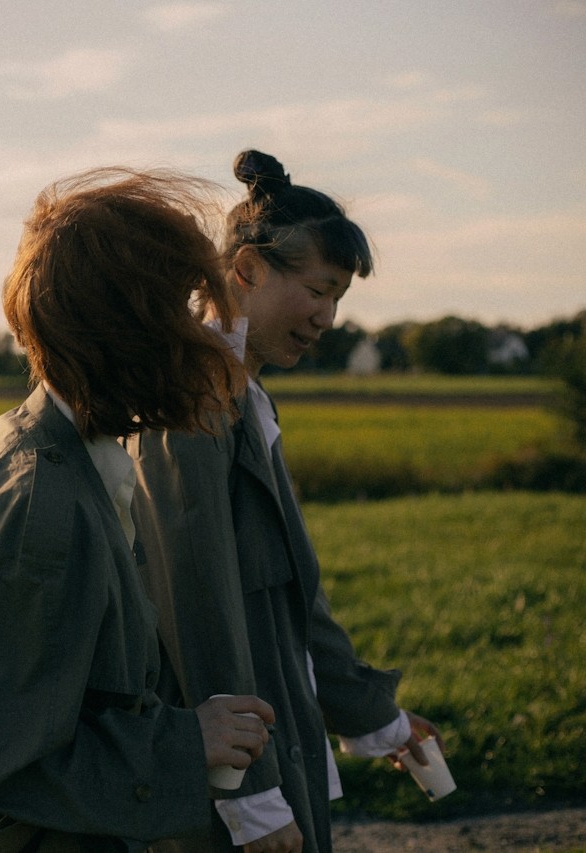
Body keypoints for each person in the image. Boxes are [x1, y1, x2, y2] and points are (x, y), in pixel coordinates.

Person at [0, 167, 276, 851]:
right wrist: (186, 742)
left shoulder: (45, 445)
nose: (211, 338)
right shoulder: (41, 510)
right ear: (129, 331)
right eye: (185, 311)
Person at [128, 150, 443, 853]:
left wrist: (379, 720)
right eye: (319, 290)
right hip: (228, 785)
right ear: (247, 270)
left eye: (339, 299)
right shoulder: (192, 402)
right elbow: (195, 607)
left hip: (273, 746)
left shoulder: (245, 397)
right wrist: (249, 798)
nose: (328, 317)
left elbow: (291, 604)